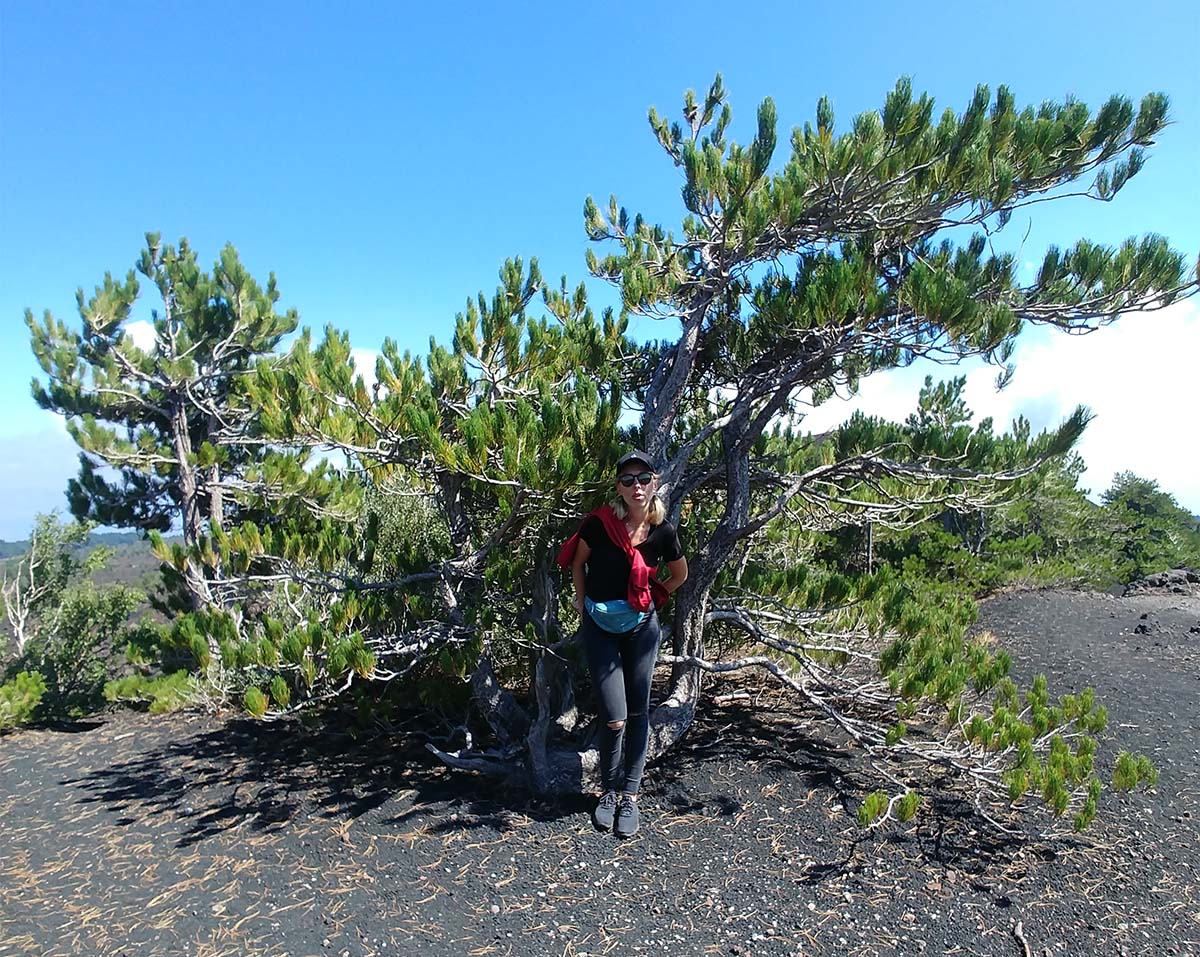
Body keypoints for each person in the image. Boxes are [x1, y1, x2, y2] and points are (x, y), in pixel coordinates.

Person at [556, 450, 688, 837]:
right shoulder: (599, 524)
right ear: (618, 487)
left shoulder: (663, 531)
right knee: (614, 717)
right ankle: (608, 791)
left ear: (655, 482)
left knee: (638, 714)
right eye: (628, 480)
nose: (636, 486)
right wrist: (581, 602)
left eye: (643, 478)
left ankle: (629, 794)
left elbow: (680, 573)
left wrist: (654, 594)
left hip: (641, 629)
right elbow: (578, 562)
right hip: (599, 626)